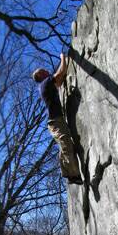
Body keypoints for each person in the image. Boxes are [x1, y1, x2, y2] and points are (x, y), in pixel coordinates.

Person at [32, 53, 83, 185]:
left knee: (64, 143)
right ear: (40, 76)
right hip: (55, 121)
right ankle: (73, 175)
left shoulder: (48, 85)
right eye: (43, 71)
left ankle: (67, 172)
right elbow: (61, 73)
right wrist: (63, 58)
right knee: (65, 142)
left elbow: (59, 82)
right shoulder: (45, 83)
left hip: (57, 120)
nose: (47, 71)